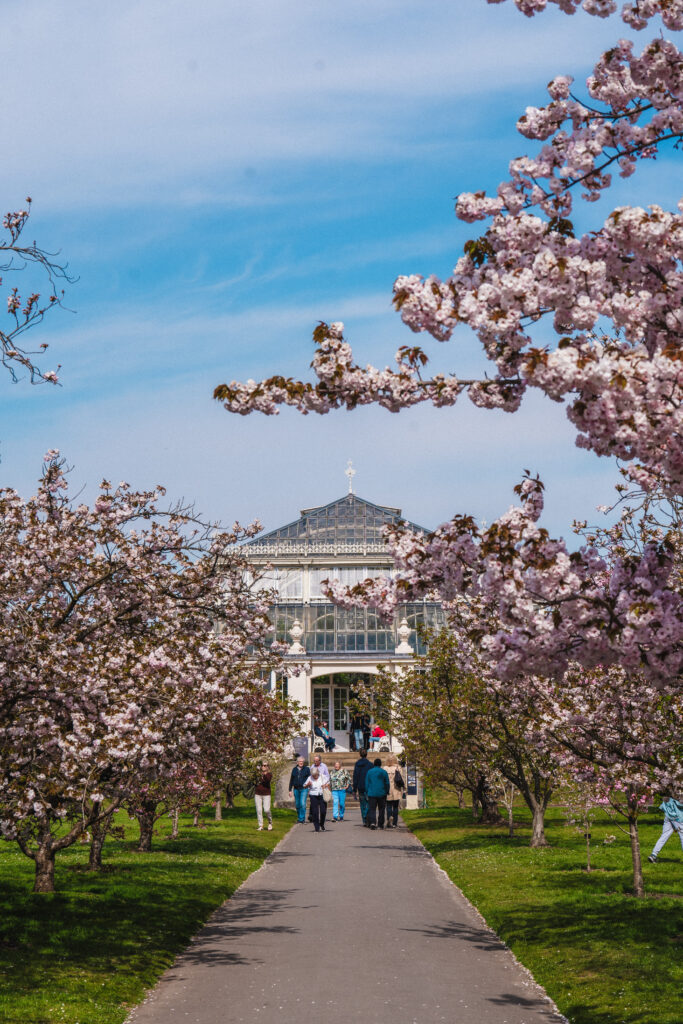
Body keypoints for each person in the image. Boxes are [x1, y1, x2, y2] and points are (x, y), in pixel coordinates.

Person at [648, 794, 683, 862]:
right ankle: (653, 855)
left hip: (668, 816)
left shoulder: (668, 792)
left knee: (664, 836)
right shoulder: (675, 793)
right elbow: (680, 804)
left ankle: (653, 855)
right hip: (677, 818)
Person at [365, 758, 390, 830]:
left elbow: (367, 783)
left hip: (372, 793)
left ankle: (373, 822)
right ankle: (380, 824)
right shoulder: (384, 772)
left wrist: (366, 791)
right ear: (380, 764)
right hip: (382, 793)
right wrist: (387, 791)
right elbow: (387, 783)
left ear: (374, 764)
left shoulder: (369, 772)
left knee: (372, 809)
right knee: (381, 809)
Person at [304, 766, 328, 832]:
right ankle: (316, 827)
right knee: (315, 812)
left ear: (318, 773)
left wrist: (325, 786)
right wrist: (308, 784)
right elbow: (304, 786)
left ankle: (322, 824)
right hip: (313, 795)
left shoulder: (323, 776)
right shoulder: (309, 778)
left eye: (316, 775)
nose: (315, 777)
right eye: (313, 775)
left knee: (323, 811)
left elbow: (328, 783)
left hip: (322, 795)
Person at [352, 748, 372, 826]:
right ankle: (367, 817)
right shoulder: (370, 764)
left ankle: (364, 819)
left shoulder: (357, 764)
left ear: (360, 754)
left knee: (362, 804)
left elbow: (355, 776)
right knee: (368, 803)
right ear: (366, 754)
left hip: (360, 786)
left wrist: (354, 788)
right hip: (368, 786)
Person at [288, 756, 311, 823]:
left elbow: (310, 779)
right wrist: (289, 790)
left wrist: (309, 788)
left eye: (302, 761)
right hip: (296, 789)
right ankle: (299, 817)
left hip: (304, 788)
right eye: (300, 761)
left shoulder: (306, 769)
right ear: (297, 762)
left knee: (303, 804)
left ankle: (302, 819)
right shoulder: (294, 769)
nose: (301, 763)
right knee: (297, 804)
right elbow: (291, 780)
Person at [385, 754, 404, 828]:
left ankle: (389, 819)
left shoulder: (385, 768)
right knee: (395, 807)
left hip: (388, 789)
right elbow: (401, 779)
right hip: (396, 789)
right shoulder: (398, 768)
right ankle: (395, 823)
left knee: (388, 806)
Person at [254, 761, 273, 831]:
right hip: (258, 794)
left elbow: (267, 780)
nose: (263, 767)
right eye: (262, 765)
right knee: (259, 810)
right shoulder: (258, 774)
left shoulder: (269, 774)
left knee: (266, 809)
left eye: (265, 765)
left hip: (266, 794)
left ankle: (270, 822)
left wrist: (264, 774)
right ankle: (260, 825)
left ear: (268, 767)